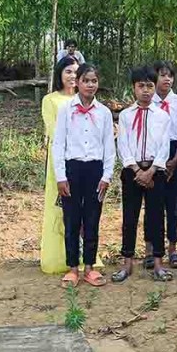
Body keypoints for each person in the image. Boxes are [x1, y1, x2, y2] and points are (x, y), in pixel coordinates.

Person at [52, 63, 115, 289]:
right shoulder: (66, 109)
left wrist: (107, 176)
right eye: (86, 80)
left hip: (95, 170)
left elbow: (109, 147)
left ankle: (89, 267)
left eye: (94, 81)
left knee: (92, 219)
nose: (90, 85)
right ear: (77, 82)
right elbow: (58, 144)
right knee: (71, 219)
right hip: (72, 169)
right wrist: (61, 176)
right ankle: (72, 268)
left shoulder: (104, 112)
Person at [114, 66, 171, 283]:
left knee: (156, 217)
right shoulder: (126, 116)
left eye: (149, 86)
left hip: (156, 172)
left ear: (155, 87)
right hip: (132, 171)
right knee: (130, 217)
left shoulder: (162, 116)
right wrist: (137, 170)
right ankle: (127, 262)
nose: (145, 90)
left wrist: (152, 171)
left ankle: (158, 263)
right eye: (141, 86)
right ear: (133, 88)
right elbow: (123, 144)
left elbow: (164, 147)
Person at [42, 56, 79, 275]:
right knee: (60, 208)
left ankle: (82, 255)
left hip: (83, 161)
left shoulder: (84, 100)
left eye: (76, 72)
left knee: (81, 208)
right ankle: (58, 257)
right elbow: (53, 131)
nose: (73, 76)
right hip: (60, 160)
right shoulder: (50, 100)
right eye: (68, 71)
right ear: (60, 74)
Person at [152, 60, 177, 269]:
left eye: (170, 75)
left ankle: (173, 249)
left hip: (176, 152)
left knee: (173, 205)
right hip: (154, 154)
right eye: (162, 75)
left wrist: (175, 160)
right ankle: (151, 249)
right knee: (153, 205)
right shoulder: (148, 101)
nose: (167, 79)